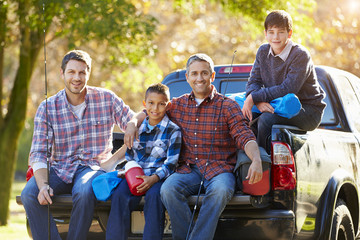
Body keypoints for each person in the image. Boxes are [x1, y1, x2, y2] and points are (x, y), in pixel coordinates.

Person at [125, 53, 263, 240]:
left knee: (221, 190)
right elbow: (149, 112)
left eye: (204, 73)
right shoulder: (177, 105)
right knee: (168, 189)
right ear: (187, 77)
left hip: (219, 170)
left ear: (212, 76)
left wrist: (256, 159)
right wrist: (132, 124)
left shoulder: (228, 106)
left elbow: (245, 136)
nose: (199, 78)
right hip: (187, 170)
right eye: (195, 73)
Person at [21, 50, 134, 240]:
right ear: (62, 73)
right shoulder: (47, 107)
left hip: (93, 167)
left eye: (82, 72)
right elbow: (39, 153)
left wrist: (128, 132)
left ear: (88, 73)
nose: (77, 77)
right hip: (59, 169)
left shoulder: (106, 98)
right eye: (71, 72)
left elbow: (136, 121)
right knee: (29, 194)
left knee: (83, 191)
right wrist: (43, 185)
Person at [242, 10, 326, 151]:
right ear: (265, 33)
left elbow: (288, 88)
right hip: (277, 103)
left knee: (266, 120)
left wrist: (253, 97)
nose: (275, 37)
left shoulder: (300, 55)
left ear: (289, 33)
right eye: (271, 32)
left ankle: (264, 164)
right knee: (243, 118)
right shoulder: (263, 51)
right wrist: (258, 101)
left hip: (307, 110)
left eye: (281, 32)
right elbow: (253, 81)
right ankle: (241, 163)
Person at [106, 83, 182, 240]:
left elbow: (171, 163)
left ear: (168, 106)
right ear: (144, 104)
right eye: (151, 103)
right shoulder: (137, 129)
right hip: (137, 177)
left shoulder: (173, 130)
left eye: (161, 104)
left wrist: (153, 178)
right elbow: (130, 156)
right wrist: (132, 173)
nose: (156, 108)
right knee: (120, 196)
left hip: (159, 178)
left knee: (154, 198)